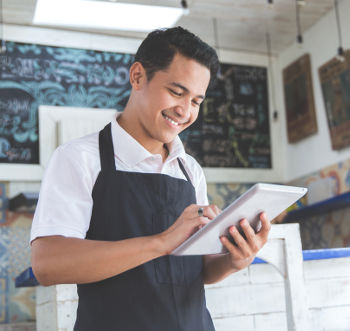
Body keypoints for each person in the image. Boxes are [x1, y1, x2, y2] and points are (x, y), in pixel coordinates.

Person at [30, 26, 271, 330]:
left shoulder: (190, 170)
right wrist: (161, 242)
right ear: (138, 76)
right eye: (176, 92)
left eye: (196, 101)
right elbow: (48, 265)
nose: (185, 111)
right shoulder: (78, 158)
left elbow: (198, 269)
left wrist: (235, 260)